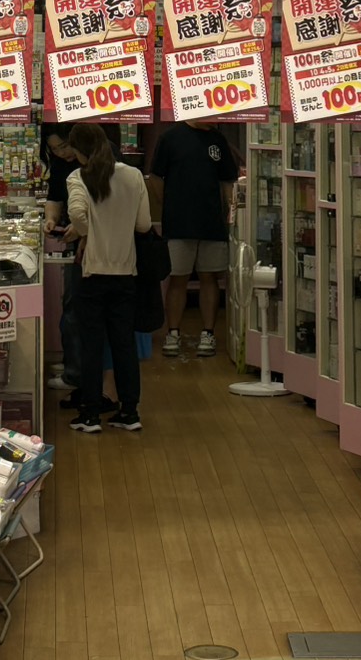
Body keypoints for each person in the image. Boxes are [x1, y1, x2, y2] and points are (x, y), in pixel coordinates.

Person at [66, 123, 151, 434]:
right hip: (125, 272)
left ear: (80, 151)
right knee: (124, 344)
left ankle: (90, 415)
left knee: (91, 344)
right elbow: (143, 225)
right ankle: (129, 412)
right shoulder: (133, 175)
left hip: (92, 273)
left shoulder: (78, 177)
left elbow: (77, 214)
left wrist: (86, 231)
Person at [148, 119, 239, 358]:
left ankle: (208, 333)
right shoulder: (170, 138)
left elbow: (228, 181)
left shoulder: (218, 140)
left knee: (210, 277)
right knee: (178, 278)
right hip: (178, 224)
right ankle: (173, 333)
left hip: (212, 222)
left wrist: (231, 215)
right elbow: (156, 178)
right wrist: (169, 206)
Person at [41, 124, 80, 392]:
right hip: (75, 240)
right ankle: (72, 366)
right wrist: (51, 219)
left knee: (76, 309)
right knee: (71, 305)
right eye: (54, 149)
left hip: (95, 246)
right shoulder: (59, 165)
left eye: (64, 146)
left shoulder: (96, 162)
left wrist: (82, 226)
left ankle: (76, 373)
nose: (60, 153)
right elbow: (54, 197)